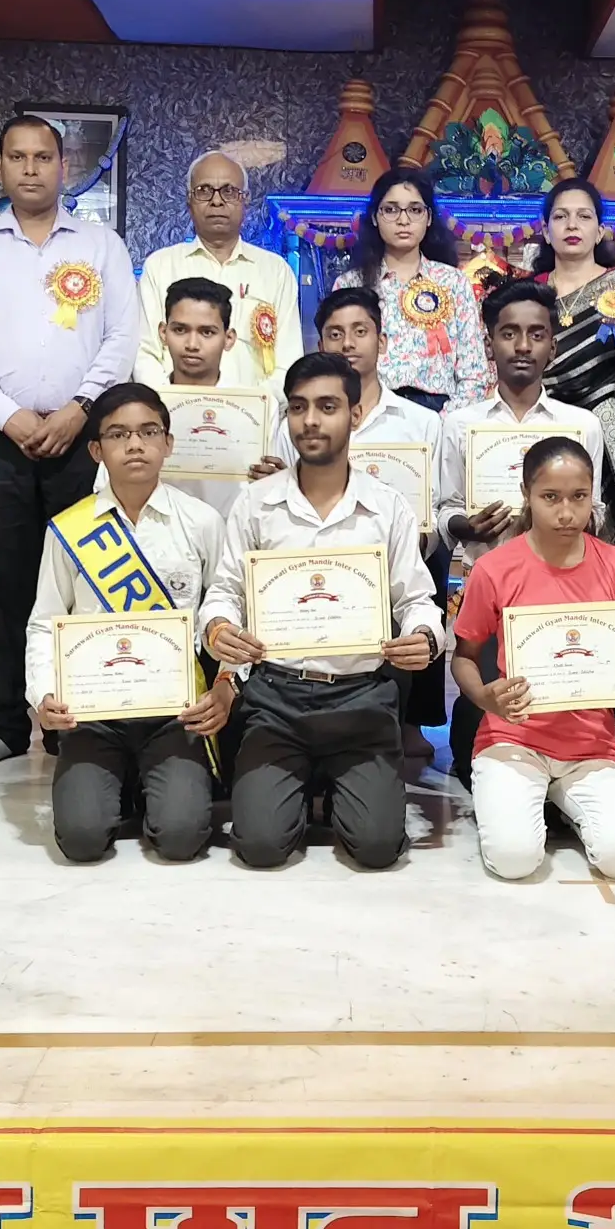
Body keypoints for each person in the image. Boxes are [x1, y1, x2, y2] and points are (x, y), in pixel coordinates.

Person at [0, 113, 144, 768]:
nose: (30, 168)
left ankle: (71, 724)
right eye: (17, 157)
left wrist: (81, 409)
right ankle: (6, 725)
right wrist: (9, 415)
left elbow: (122, 335)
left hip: (81, 438)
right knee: (6, 584)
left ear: (64, 166)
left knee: (83, 580)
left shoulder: (102, 246)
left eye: (43, 157)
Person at [200, 352, 445, 870]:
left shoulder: (387, 507)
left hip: (361, 700)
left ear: (354, 415)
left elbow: (417, 600)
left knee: (377, 848)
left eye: (327, 407)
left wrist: (424, 637)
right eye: (299, 407)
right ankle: (302, 782)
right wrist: (218, 626)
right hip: (276, 698)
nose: (310, 420)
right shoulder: (255, 504)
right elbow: (224, 591)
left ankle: (339, 786)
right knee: (260, 848)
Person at [25, 384, 232, 863]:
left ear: (168, 443)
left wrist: (226, 684)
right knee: (81, 841)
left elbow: (228, 612)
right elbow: (44, 624)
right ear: (97, 450)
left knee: (181, 839)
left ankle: (151, 785)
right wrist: (43, 695)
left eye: (148, 432)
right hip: (93, 716)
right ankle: (123, 782)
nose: (135, 444)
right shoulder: (68, 528)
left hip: (173, 715)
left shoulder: (201, 522)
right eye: (118, 434)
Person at [450, 437, 615, 881]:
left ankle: (560, 803)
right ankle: (522, 798)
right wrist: (485, 698)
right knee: (514, 860)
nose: (566, 513)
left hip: (591, 744)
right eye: (550, 498)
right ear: (526, 494)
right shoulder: (495, 569)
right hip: (513, 740)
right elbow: (463, 657)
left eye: (579, 497)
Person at [436, 277, 604, 778]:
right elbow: (444, 510)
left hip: (559, 591)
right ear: (490, 343)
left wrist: (556, 518)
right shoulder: (460, 424)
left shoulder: (581, 425)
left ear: (553, 344)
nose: (523, 345)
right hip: (487, 590)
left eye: (536, 333)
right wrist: (466, 525)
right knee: (476, 747)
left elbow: (595, 513)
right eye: (509, 333)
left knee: (556, 704)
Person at [530, 177, 615, 589]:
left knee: (610, 554)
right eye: (561, 216)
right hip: (542, 429)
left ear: (600, 230)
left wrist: (599, 424)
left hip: (613, 435)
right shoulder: (531, 294)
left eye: (584, 217)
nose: (572, 225)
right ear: (545, 229)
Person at [136, 152, 300, 384]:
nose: (216, 201)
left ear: (245, 200)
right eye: (204, 190)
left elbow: (289, 363)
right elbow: (144, 354)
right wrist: (170, 401)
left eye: (229, 191)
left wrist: (257, 403)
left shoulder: (276, 271)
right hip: (174, 404)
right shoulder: (160, 266)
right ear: (189, 201)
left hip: (254, 405)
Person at [337, 166, 491, 410]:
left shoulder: (453, 282)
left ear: (429, 218)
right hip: (371, 409)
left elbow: (474, 372)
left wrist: (446, 421)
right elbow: (339, 364)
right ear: (375, 217)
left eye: (415, 210)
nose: (403, 220)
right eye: (391, 209)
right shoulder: (350, 284)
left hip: (440, 410)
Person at [262, 287, 443, 468]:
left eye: (360, 332)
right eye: (335, 335)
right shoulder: (296, 428)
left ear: (381, 342)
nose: (347, 343)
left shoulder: (423, 424)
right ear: (321, 347)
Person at [136, 275, 254, 518]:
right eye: (180, 330)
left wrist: (274, 481)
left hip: (232, 534)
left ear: (229, 338)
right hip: (157, 532)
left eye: (207, 332)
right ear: (163, 332)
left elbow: (270, 489)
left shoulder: (257, 411)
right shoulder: (139, 410)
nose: (192, 344)